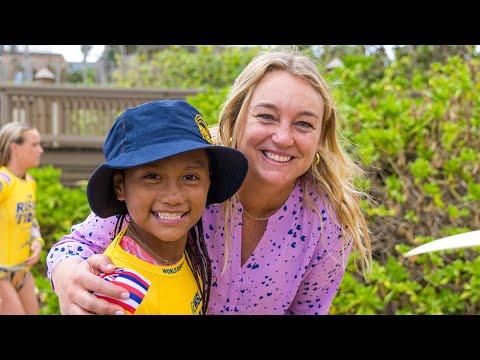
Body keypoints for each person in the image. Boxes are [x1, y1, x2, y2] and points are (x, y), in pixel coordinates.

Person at [47, 49, 372, 315]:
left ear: (320, 138)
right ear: (235, 117)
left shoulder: (325, 219)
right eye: (266, 116)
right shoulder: (188, 182)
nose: (283, 137)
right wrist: (66, 275)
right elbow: (74, 247)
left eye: (303, 124)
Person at [78, 100, 247, 314]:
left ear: (209, 182)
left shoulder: (186, 255)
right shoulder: (120, 292)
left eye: (190, 177)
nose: (173, 197)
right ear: (119, 186)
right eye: (152, 176)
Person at [0, 121, 45, 314]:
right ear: (15, 148)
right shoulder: (3, 181)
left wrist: (37, 240)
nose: (40, 150)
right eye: (34, 144)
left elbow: (30, 219)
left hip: (22, 271)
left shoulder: (30, 182)